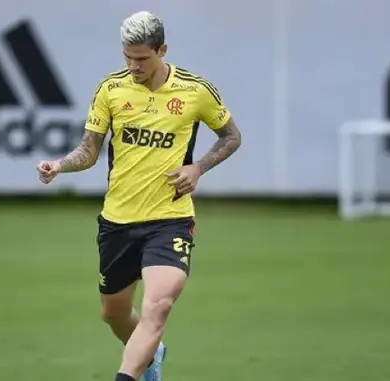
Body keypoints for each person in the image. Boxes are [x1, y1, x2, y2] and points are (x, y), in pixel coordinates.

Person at [36, 10, 242, 381]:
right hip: (117, 221)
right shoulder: (111, 89)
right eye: (127, 57)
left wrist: (198, 168)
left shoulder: (195, 91)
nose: (133, 65)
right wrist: (60, 165)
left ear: (162, 50)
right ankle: (152, 354)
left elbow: (231, 137)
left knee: (157, 306)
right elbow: (88, 151)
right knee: (113, 313)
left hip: (170, 219)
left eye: (142, 58)